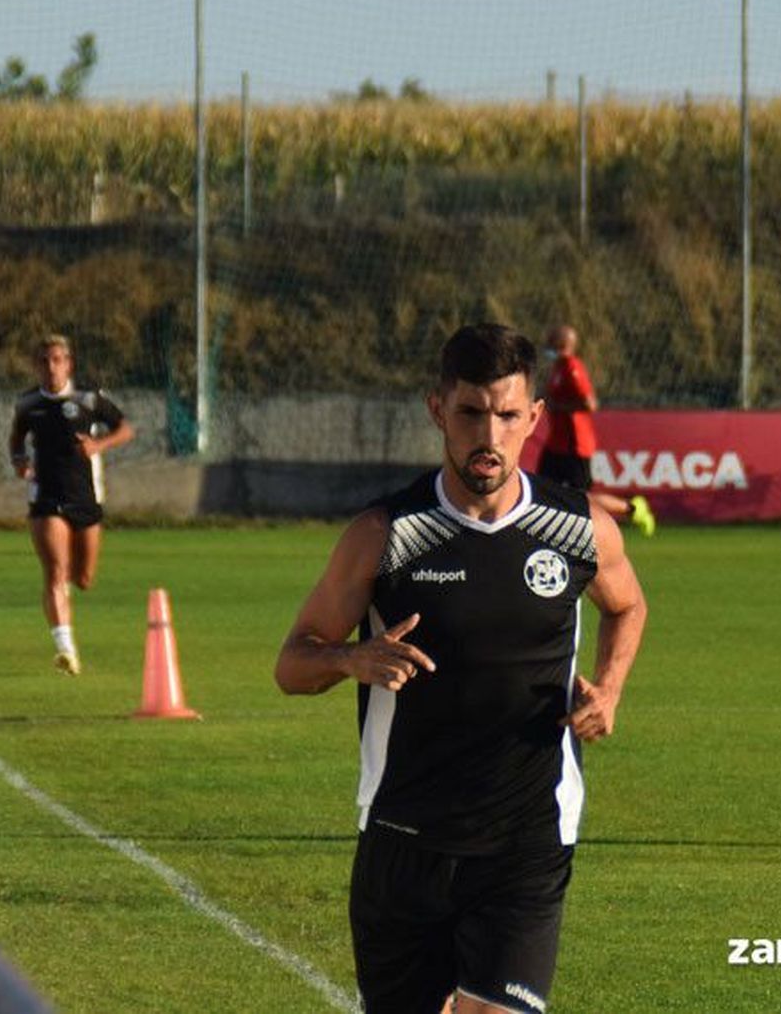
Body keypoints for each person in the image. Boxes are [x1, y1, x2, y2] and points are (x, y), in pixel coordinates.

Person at [276, 323, 647, 1013]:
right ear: (437, 410)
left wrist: (613, 688)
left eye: (508, 416)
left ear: (534, 419)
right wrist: (351, 658)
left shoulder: (577, 529)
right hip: (405, 839)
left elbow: (628, 607)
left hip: (527, 839)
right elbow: (292, 663)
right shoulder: (385, 536)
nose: (490, 435)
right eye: (472, 413)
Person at [9, 335, 134, 676]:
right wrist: (20, 461)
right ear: (37, 366)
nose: (51, 367)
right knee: (55, 572)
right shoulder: (28, 403)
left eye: (57, 360)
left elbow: (126, 429)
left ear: (69, 364)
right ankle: (66, 649)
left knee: (84, 578)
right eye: (44, 361)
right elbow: (16, 440)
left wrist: (99, 445)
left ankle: (64, 596)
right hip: (46, 497)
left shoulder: (89, 399)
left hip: (84, 496)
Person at [537, 325, 655, 537]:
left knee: (581, 497)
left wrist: (559, 407)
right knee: (540, 491)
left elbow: (590, 404)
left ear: (561, 344)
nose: (546, 346)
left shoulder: (573, 368)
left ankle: (632, 508)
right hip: (556, 443)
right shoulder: (557, 368)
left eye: (551, 341)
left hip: (575, 445)